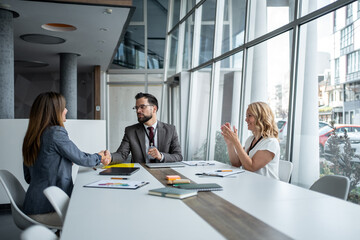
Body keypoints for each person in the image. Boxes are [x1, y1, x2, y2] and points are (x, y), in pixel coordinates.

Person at [22, 92, 111, 226]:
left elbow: (28, 177)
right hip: (48, 209)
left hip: (32, 207)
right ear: (54, 111)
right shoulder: (55, 132)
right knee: (95, 218)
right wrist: (99, 156)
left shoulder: (32, 136)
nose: (66, 110)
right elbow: (82, 159)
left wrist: (66, 161)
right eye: (63, 107)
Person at [109, 92, 182, 163]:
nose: (138, 111)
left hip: (163, 173)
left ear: (154, 109)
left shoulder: (170, 130)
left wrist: (161, 156)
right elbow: (122, 154)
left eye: (142, 107)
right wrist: (110, 157)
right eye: (136, 108)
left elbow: (178, 156)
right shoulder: (130, 131)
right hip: (140, 173)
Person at [221, 102, 280, 179]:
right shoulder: (251, 139)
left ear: (261, 117)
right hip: (251, 183)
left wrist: (236, 142)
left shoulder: (271, 142)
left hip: (265, 187)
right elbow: (236, 163)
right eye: (246, 116)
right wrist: (230, 143)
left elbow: (251, 167)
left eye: (249, 116)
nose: (246, 119)